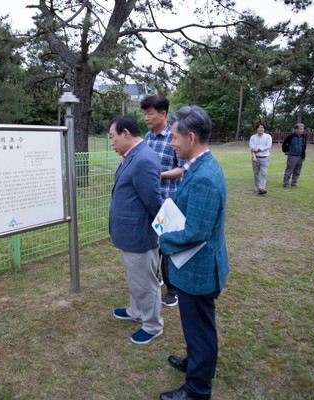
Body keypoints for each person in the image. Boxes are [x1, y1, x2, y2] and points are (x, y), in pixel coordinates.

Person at [158, 105, 229, 400]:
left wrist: (162, 240)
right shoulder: (198, 166)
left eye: (173, 137)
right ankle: (197, 364)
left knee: (200, 328)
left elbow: (196, 232)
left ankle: (197, 389)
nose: (171, 143)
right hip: (193, 265)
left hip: (198, 269)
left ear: (190, 137)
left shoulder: (204, 177)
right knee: (197, 324)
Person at [109, 115, 164, 345]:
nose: (111, 142)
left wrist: (162, 233)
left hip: (140, 234)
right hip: (130, 234)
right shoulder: (131, 156)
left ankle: (152, 325)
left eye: (112, 137)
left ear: (126, 133)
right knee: (136, 278)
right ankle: (136, 311)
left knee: (145, 282)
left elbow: (154, 202)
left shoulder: (143, 159)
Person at [141, 95, 185, 307]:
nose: (146, 117)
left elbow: (183, 169)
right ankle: (155, 277)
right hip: (149, 202)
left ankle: (173, 289)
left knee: (167, 246)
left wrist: (160, 174)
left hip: (168, 202)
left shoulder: (175, 137)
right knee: (151, 243)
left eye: (150, 113)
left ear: (163, 114)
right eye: (145, 113)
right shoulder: (146, 139)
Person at [248, 123, 272, 194]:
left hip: (265, 158)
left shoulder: (268, 136)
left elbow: (268, 146)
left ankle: (262, 188)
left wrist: (258, 149)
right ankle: (258, 187)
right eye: (259, 127)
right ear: (256, 129)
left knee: (264, 173)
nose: (260, 129)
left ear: (264, 129)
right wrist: (254, 156)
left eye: (262, 127)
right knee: (256, 173)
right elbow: (251, 148)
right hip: (255, 158)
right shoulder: (253, 137)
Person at [282, 123, 307, 187]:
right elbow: (284, 144)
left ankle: (294, 182)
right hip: (292, 155)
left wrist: (303, 155)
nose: (302, 130)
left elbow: (304, 146)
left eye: (303, 129)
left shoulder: (303, 137)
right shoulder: (290, 137)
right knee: (289, 170)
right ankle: (286, 183)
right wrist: (285, 151)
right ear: (296, 129)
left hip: (300, 156)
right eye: (300, 129)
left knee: (297, 171)